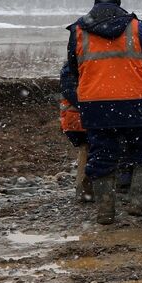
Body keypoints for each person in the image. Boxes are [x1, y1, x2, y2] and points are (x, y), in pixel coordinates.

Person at [62, 0, 142, 224]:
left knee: (102, 154)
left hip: (95, 102)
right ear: (118, 3)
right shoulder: (136, 26)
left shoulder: (78, 29)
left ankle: (105, 211)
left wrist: (94, 83)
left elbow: (73, 66)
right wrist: (130, 76)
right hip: (134, 100)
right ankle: (139, 203)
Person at [57, 61, 91, 202]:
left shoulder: (71, 67)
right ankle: (85, 192)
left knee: (87, 150)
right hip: (82, 120)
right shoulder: (75, 68)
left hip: (75, 121)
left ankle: (84, 192)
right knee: (93, 150)